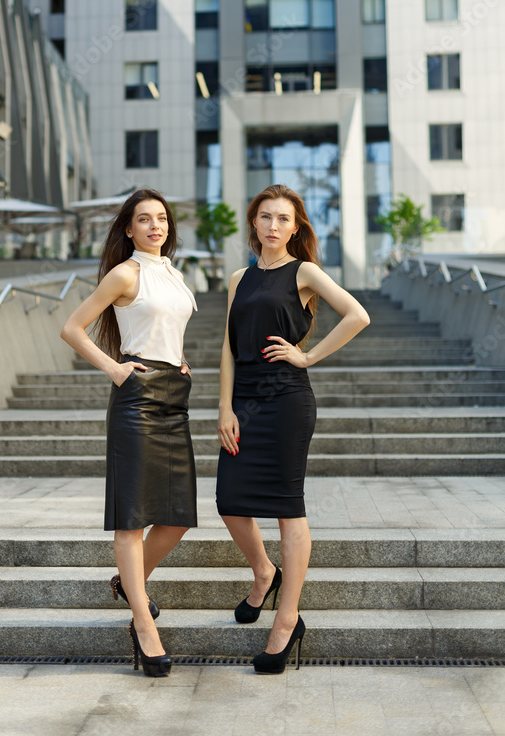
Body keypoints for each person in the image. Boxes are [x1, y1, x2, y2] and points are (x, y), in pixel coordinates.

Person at [216, 184, 370, 674]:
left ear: (296, 227)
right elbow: (227, 346)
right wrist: (224, 406)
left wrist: (307, 355)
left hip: (286, 400)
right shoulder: (239, 277)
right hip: (244, 403)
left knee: (287, 509)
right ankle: (264, 571)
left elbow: (357, 315)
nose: (274, 226)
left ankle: (286, 620)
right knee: (229, 500)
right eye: (266, 217)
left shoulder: (303, 271)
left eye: (284, 219)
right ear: (254, 223)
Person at [60, 188, 197, 677]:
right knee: (131, 520)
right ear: (129, 229)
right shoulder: (126, 273)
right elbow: (73, 328)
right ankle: (143, 625)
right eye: (145, 219)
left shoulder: (176, 274)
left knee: (178, 516)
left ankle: (127, 582)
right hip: (137, 399)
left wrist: (180, 361)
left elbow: (168, 329)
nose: (156, 226)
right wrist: (115, 370)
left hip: (174, 400)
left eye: (162, 218)